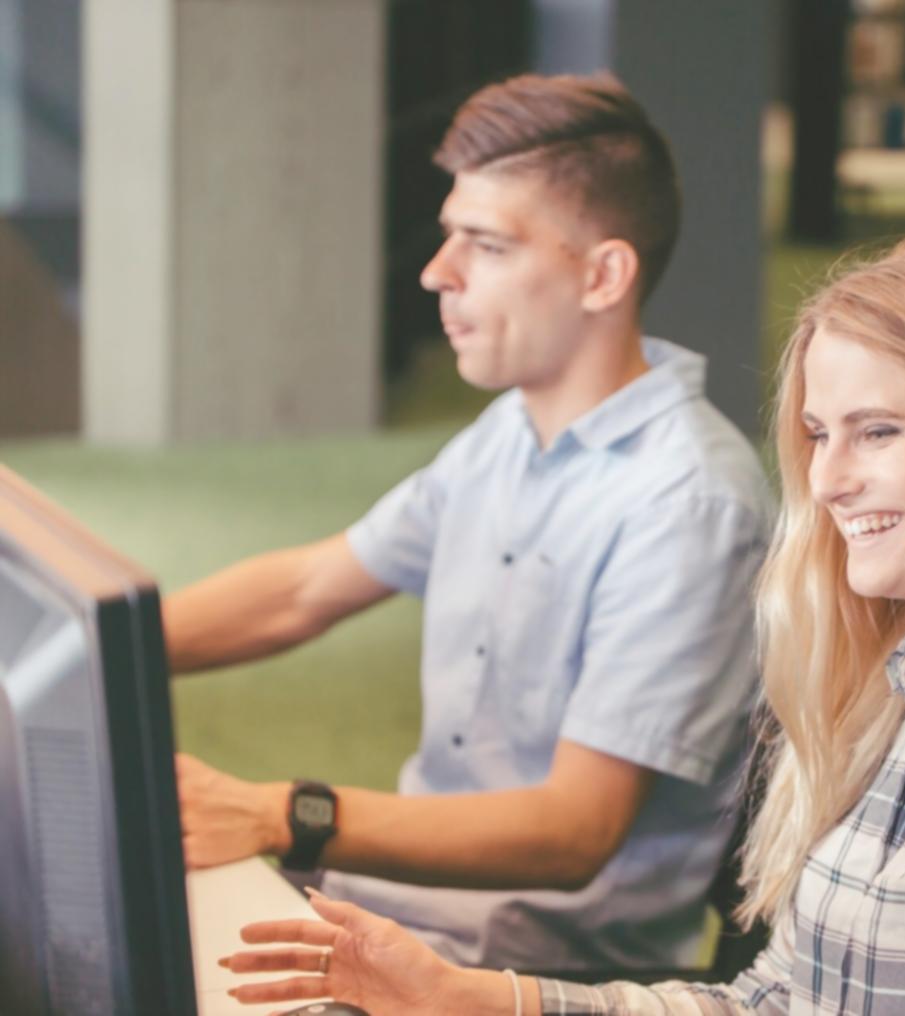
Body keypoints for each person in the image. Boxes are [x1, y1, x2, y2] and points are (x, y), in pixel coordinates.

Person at [220, 235, 905, 1014]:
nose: (824, 479)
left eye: (878, 430)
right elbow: (776, 1001)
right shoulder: (903, 686)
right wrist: (470, 996)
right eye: (819, 434)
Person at [164, 73, 772, 973]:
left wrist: (279, 814)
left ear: (603, 274)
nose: (436, 273)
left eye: (483, 246)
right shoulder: (510, 434)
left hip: (524, 969)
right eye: (451, 237)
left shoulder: (686, 504)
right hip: (386, 910)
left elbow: (574, 832)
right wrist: (93, 649)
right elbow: (303, 591)